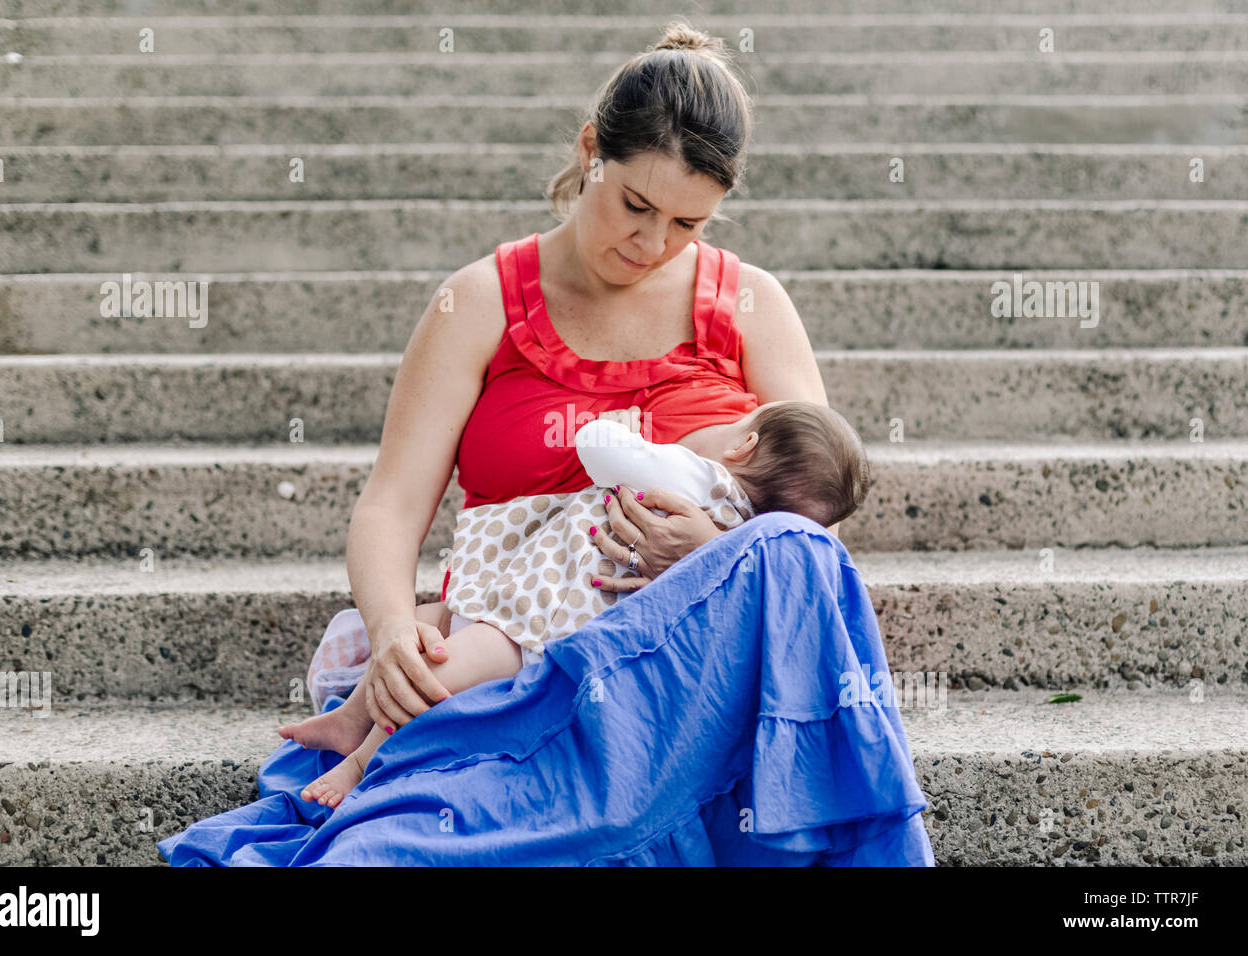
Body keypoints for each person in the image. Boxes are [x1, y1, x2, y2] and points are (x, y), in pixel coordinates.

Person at [157, 20, 934, 866]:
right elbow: (389, 505)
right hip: (515, 655)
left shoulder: (750, 303)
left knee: (789, 549)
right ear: (591, 150)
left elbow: (806, 517)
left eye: (686, 222)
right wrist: (390, 633)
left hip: (678, 682)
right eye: (635, 205)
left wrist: (712, 548)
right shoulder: (480, 302)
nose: (651, 244)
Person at [280, 400, 871, 808]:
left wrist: (623, 430)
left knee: (431, 667)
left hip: (530, 624)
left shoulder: (696, 475)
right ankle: (349, 717)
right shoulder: (742, 540)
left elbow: (597, 447)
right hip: (530, 601)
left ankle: (360, 761)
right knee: (419, 632)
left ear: (744, 443)